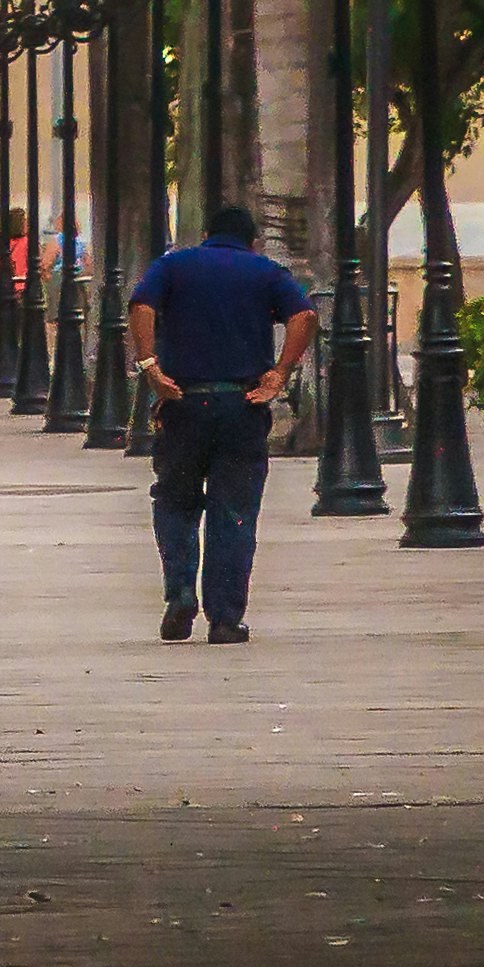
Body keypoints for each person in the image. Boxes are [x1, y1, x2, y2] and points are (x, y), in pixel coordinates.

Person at [123, 204, 315, 643]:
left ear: (207, 232)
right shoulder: (265, 271)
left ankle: (180, 594)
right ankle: (225, 618)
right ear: (252, 241)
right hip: (242, 405)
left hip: (183, 403)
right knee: (234, 511)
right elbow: (304, 316)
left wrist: (150, 365)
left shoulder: (174, 265)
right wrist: (280, 372)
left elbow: (141, 303)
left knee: (175, 502)